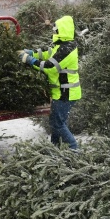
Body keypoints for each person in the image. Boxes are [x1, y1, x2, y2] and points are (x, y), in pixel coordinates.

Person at [19, 15, 81, 150]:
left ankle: (74, 149)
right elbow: (47, 53)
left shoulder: (66, 49)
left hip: (66, 93)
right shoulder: (63, 46)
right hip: (62, 92)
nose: (54, 32)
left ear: (62, 30)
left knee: (58, 124)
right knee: (56, 123)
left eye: (56, 30)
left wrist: (30, 61)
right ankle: (55, 149)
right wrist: (32, 53)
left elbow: (49, 67)